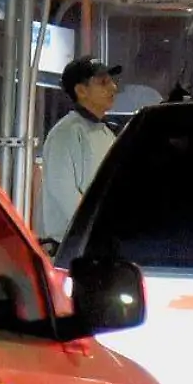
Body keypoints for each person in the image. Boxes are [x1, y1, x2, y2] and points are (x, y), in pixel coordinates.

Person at [39, 56, 122, 245]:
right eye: (103, 82)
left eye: (111, 81)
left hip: (99, 242)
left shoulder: (106, 132)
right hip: (73, 246)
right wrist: (101, 229)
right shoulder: (65, 133)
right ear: (81, 90)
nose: (113, 88)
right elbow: (66, 195)